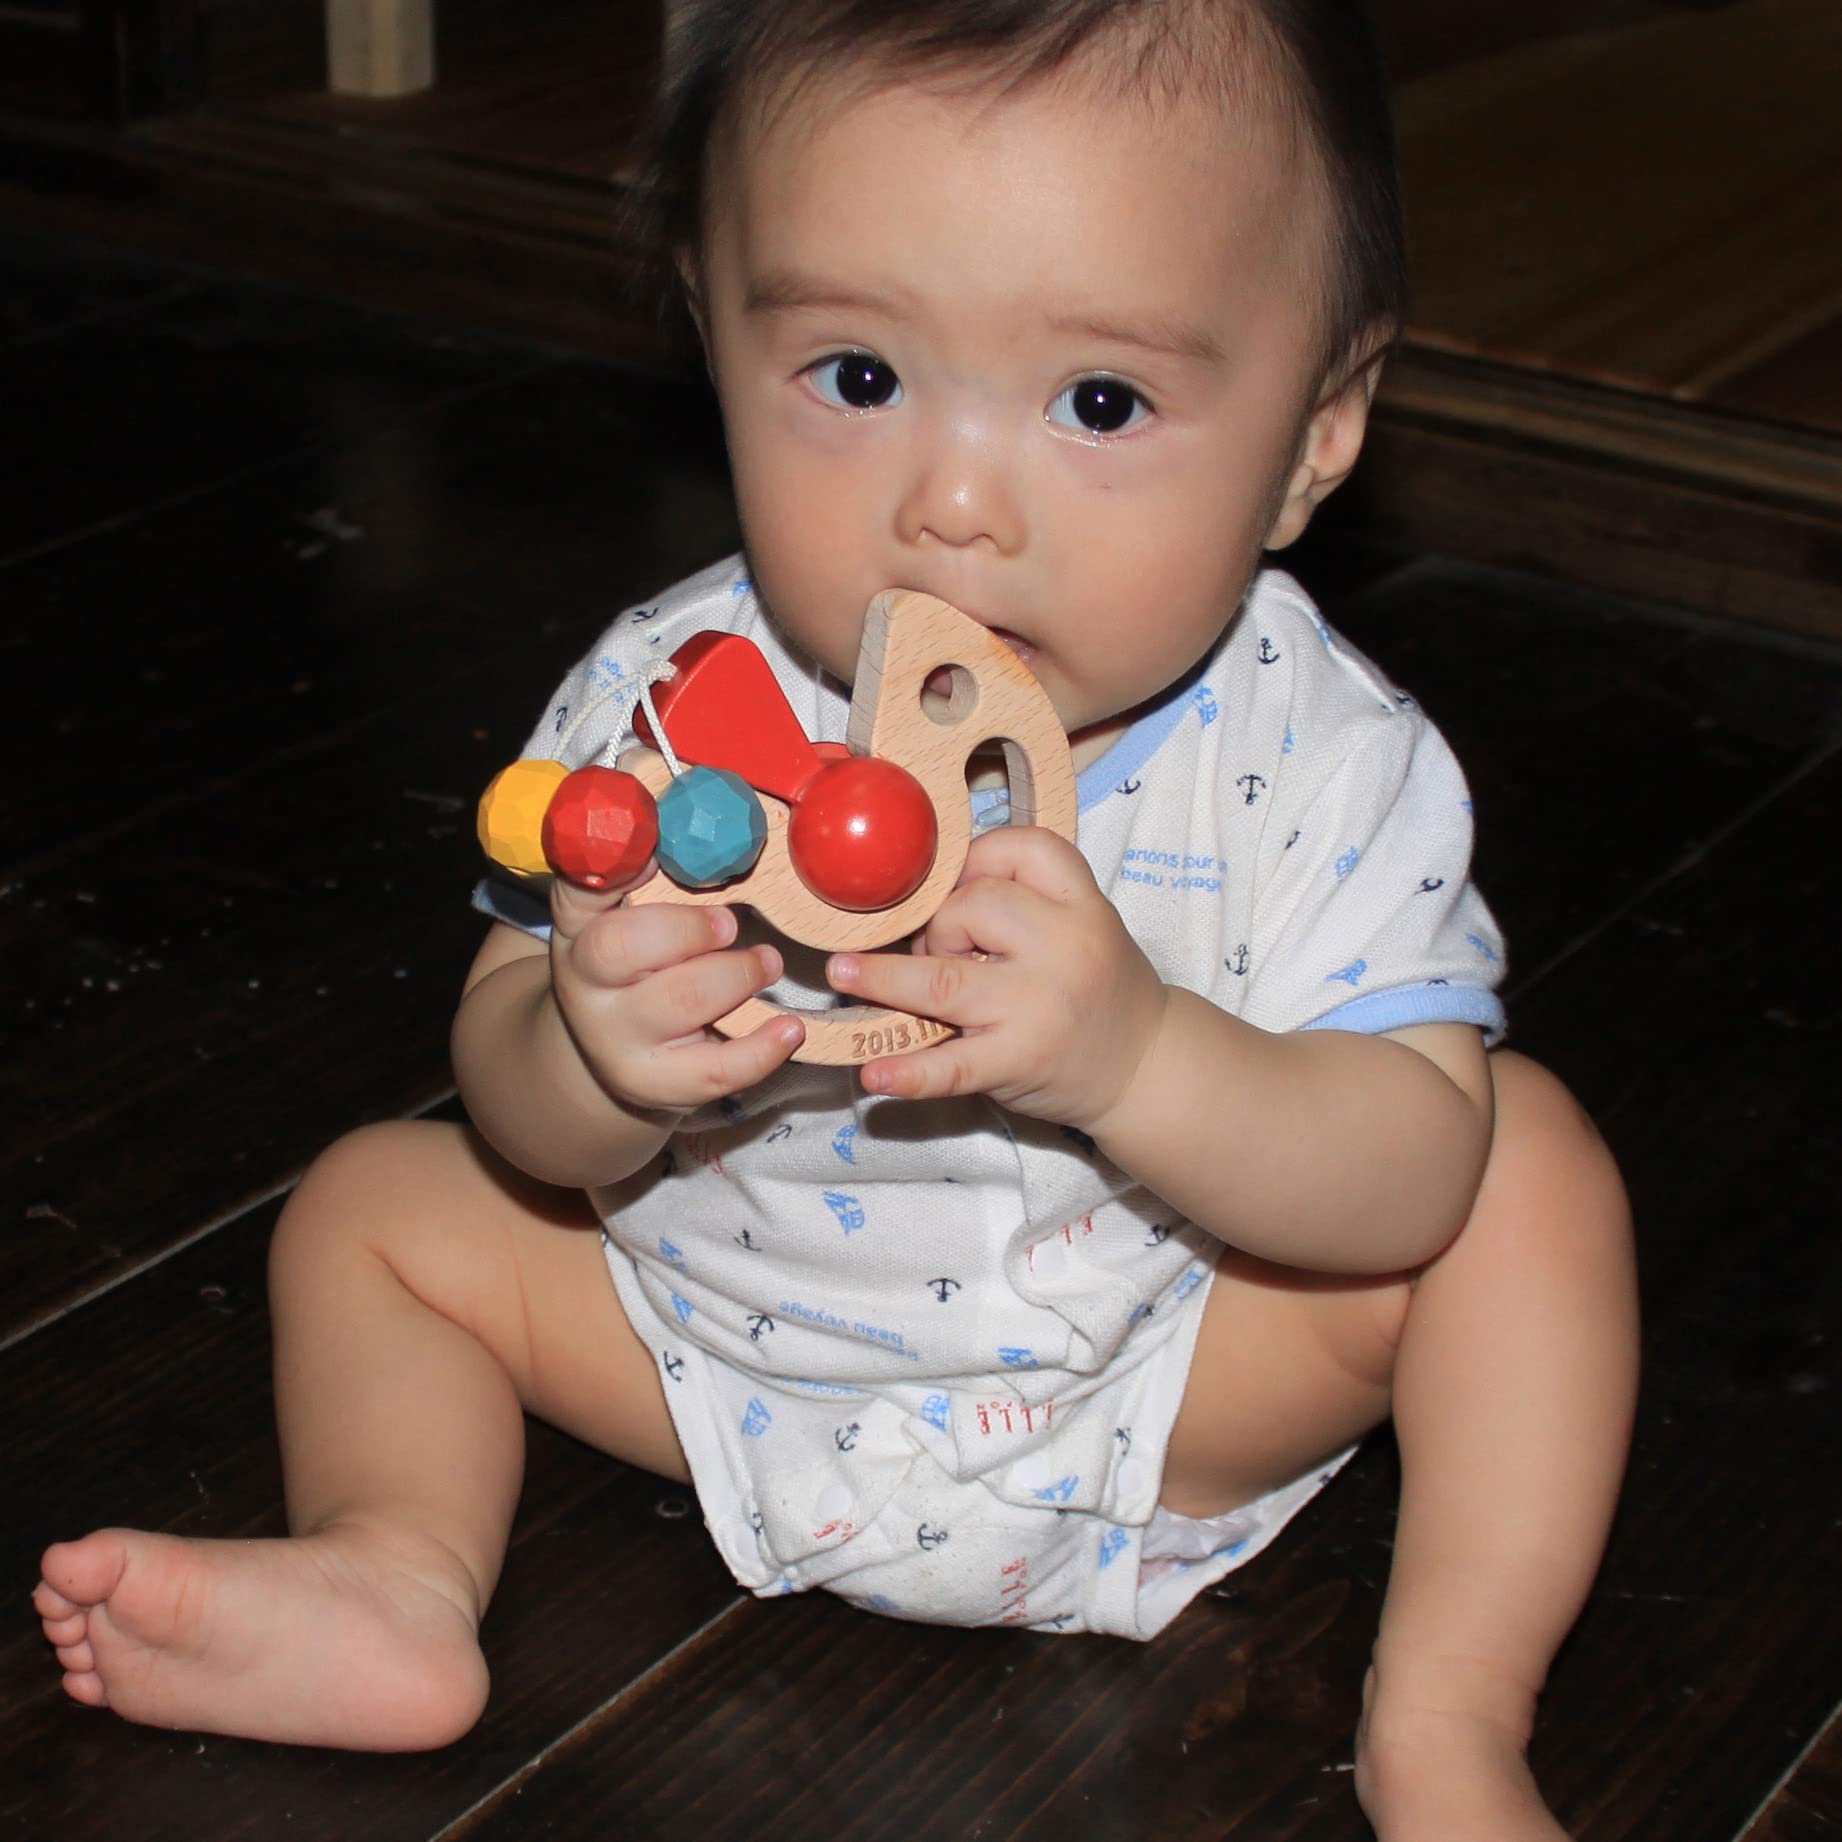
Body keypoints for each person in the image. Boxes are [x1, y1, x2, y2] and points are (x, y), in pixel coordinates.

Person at [36, 3, 1637, 1835]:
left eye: (1098, 401)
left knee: (1527, 1183)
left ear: (1310, 434)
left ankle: (1446, 1718)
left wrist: (1139, 1053)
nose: (950, 507)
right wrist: (587, 1046)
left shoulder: (1324, 761)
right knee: (373, 1210)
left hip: (1156, 1384)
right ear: (711, 334)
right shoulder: (677, 698)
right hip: (711, 1352)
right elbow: (511, 1100)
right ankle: (394, 1565)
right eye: (857, 377)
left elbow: (1400, 1185)